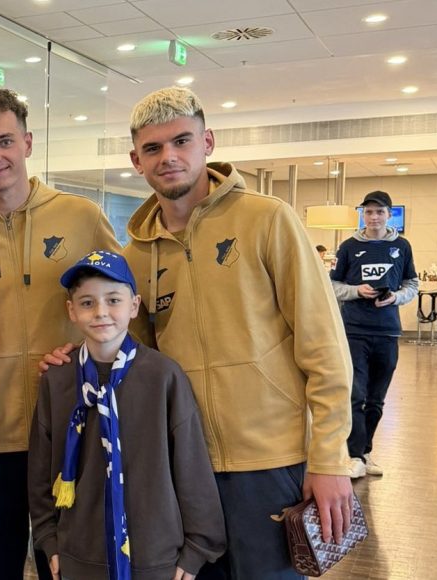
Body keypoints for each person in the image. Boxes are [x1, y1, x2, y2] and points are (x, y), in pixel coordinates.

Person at [121, 86, 354, 579]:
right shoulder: (135, 256)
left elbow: (324, 347)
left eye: (181, 141)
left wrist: (331, 458)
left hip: (270, 462)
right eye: (153, 148)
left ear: (207, 142)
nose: (168, 157)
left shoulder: (267, 219)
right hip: (184, 465)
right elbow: (136, 361)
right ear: (136, 161)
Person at [0, 87, 121, 580]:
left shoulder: (81, 218)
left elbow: (124, 309)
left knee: (71, 567)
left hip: (71, 432)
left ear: (28, 142)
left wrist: (90, 352)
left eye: (4, 141)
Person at [29, 251, 225, 580]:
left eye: (113, 300)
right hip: (79, 557)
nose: (101, 312)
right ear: (71, 310)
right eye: (87, 302)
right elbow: (40, 467)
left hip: (155, 557)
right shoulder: (58, 379)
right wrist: (48, 538)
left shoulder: (163, 376)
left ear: (134, 306)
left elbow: (191, 464)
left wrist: (196, 550)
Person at [330, 190, 418, 478]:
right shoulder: (348, 247)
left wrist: (395, 298)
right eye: (368, 212)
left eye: (379, 212)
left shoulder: (402, 246)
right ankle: (354, 455)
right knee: (355, 395)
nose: (374, 217)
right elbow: (333, 285)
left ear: (389, 214)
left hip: (388, 333)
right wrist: (357, 291)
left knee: (376, 399)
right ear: (362, 215)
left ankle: (365, 452)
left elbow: (411, 284)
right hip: (354, 331)